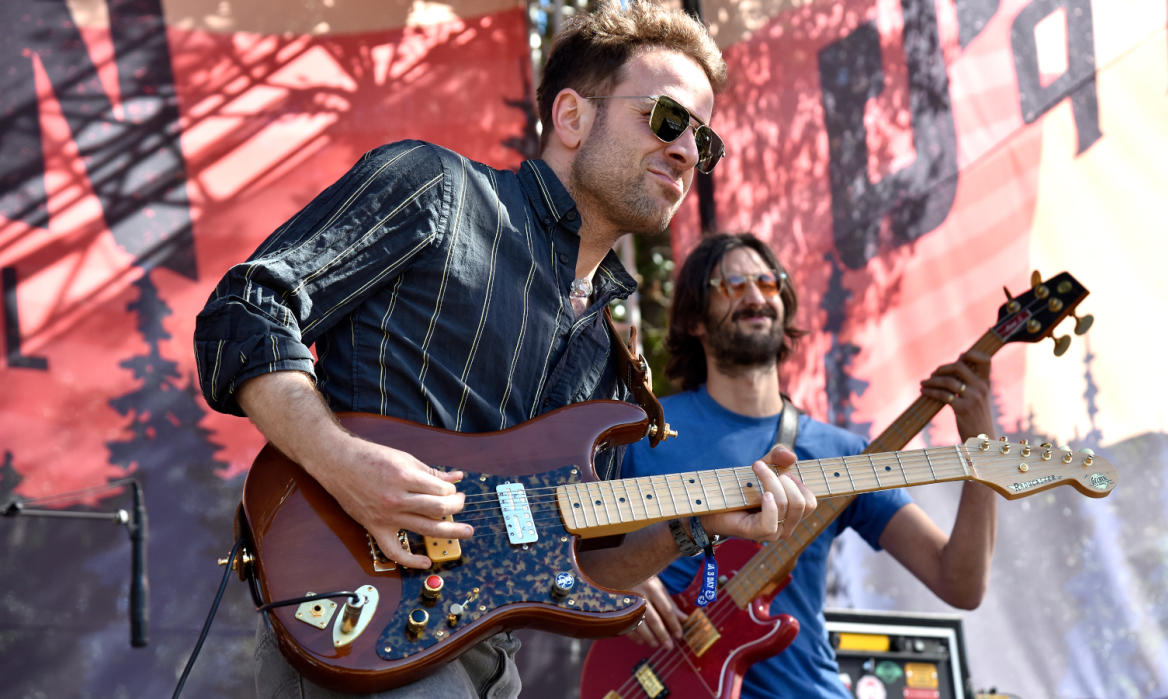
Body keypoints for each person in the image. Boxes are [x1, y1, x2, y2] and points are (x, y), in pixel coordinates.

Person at [193, 3, 817, 697]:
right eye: (668, 119)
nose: (686, 151)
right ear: (573, 117)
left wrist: (693, 525)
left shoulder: (611, 353)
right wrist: (343, 461)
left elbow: (581, 562)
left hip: (486, 660)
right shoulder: (438, 189)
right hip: (355, 616)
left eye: (704, 141)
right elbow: (247, 308)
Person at [621, 233, 998, 698]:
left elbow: (959, 583)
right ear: (695, 318)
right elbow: (558, 557)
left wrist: (982, 451)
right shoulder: (641, 432)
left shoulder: (844, 452)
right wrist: (616, 584)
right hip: (652, 682)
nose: (756, 296)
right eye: (732, 284)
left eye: (767, 281)